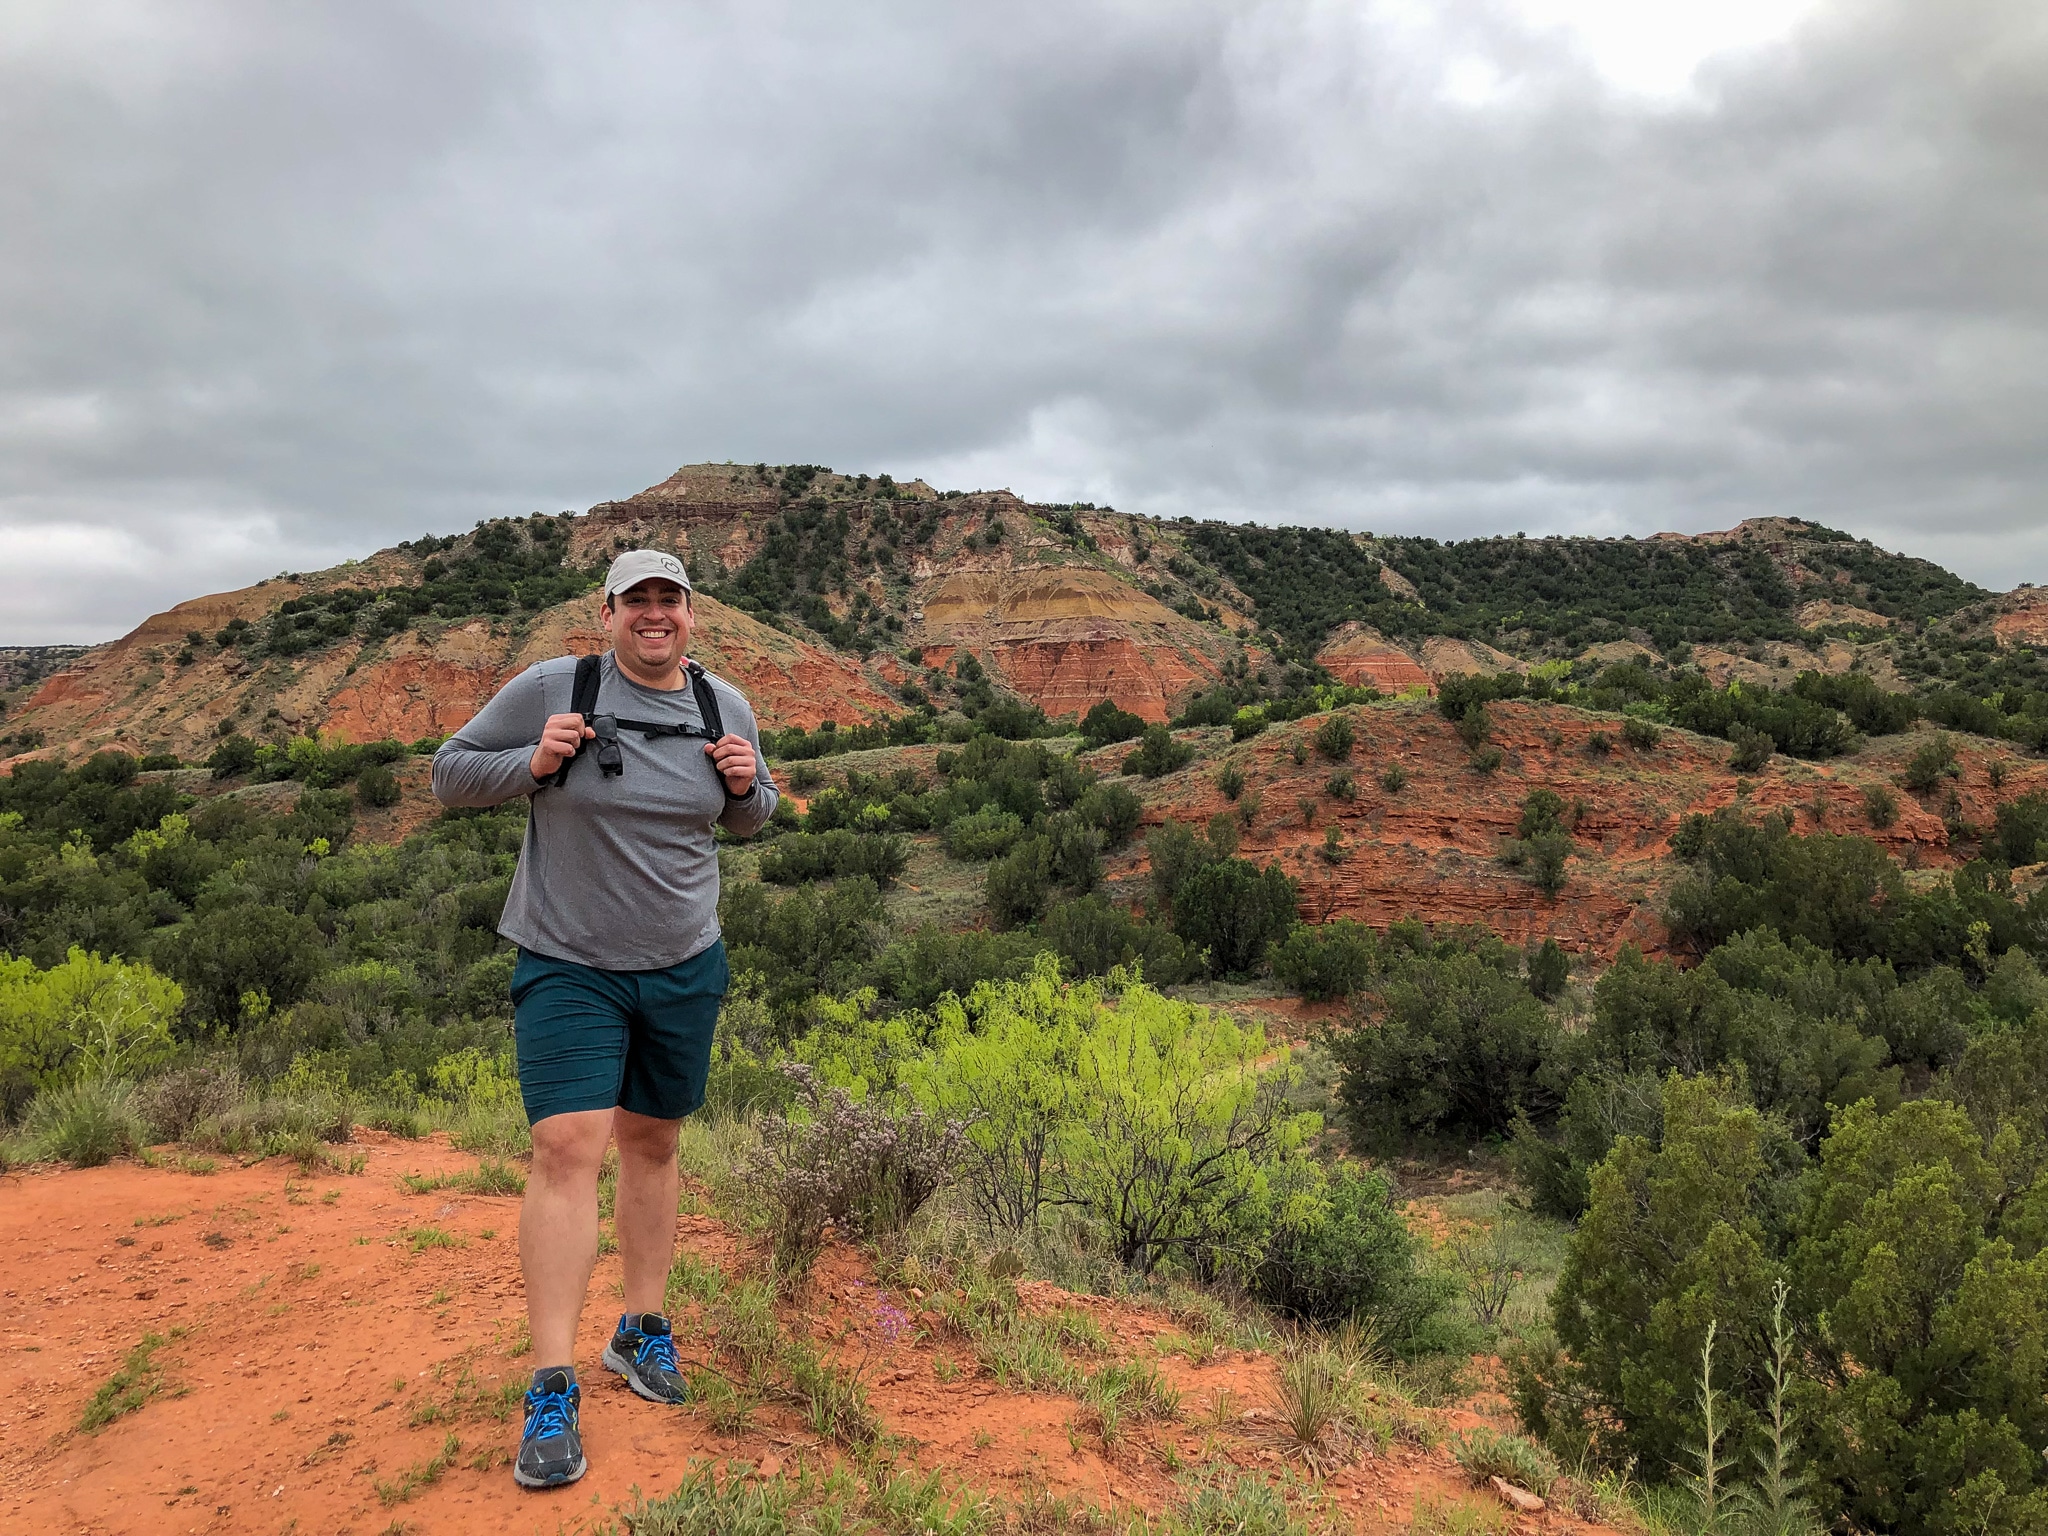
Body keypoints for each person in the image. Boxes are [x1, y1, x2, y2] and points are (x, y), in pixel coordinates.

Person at [430, 548, 778, 1489]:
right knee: (567, 1144)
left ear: (692, 616)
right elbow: (449, 773)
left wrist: (751, 791)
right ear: (608, 611)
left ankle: (641, 1330)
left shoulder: (723, 704)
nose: (654, 615)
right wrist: (533, 763)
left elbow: (750, 818)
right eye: (638, 601)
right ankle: (552, 1383)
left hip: (681, 963)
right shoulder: (557, 684)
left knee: (655, 1142)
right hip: (568, 958)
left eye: (671, 600)